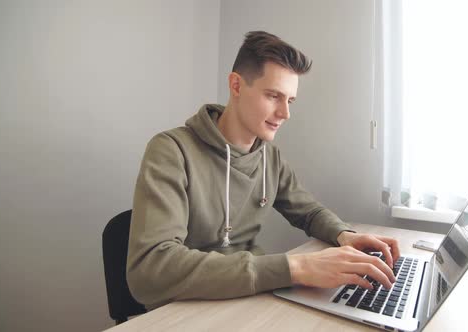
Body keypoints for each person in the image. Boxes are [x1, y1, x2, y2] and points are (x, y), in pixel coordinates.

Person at [127, 31, 400, 310]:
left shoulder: (270, 156)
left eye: (290, 101)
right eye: (273, 96)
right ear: (236, 85)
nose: (285, 113)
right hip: (185, 307)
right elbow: (150, 268)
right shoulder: (171, 150)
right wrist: (294, 267)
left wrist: (345, 235)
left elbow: (309, 211)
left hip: (250, 299)